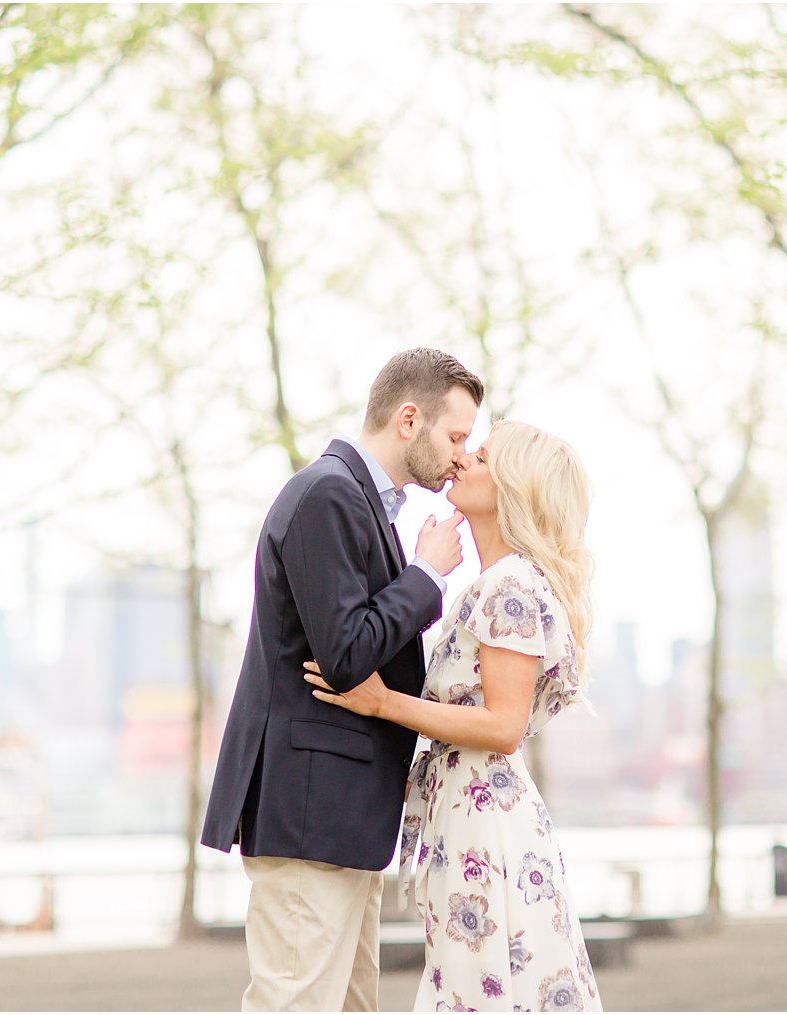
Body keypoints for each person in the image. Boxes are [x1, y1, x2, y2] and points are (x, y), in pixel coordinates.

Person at [200, 348, 484, 1012]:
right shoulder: (328, 493)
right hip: (309, 815)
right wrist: (427, 575)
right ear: (409, 418)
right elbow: (347, 651)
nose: (460, 455)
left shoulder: (360, 502)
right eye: (455, 435)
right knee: (296, 1003)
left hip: (340, 818)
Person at [306, 419, 603, 1012]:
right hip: (472, 815)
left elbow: (502, 725)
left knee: (477, 990)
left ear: (516, 489)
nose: (463, 460)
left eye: (484, 458)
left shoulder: (509, 584)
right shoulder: (499, 582)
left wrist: (382, 702)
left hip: (483, 821)